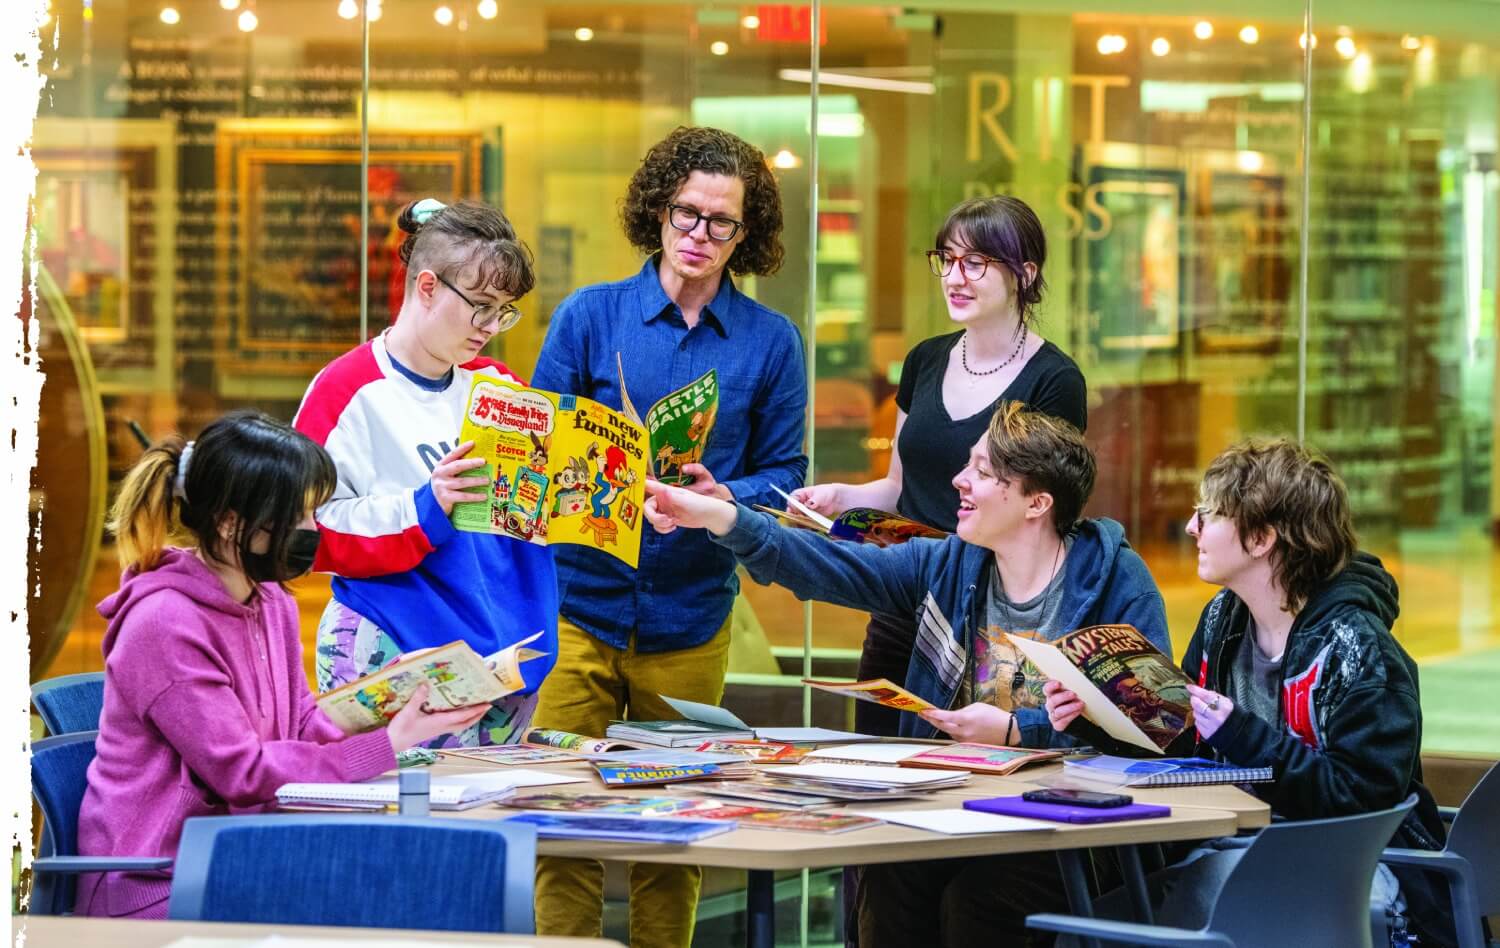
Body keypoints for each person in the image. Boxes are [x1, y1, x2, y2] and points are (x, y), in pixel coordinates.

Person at [644, 401, 1168, 948]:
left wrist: (1020, 733)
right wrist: (715, 516)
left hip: (1070, 830)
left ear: (1038, 502)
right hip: (962, 808)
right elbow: (826, 563)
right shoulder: (949, 564)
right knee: (890, 870)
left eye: (983, 472)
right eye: (969, 463)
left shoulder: (1115, 581)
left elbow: (1153, 727)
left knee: (979, 898)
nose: (959, 480)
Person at [528, 125, 808, 947]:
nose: (700, 235)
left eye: (722, 223)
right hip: (578, 603)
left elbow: (785, 473)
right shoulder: (590, 316)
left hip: (692, 612)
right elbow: (541, 447)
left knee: (674, 830)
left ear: (746, 233)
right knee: (561, 817)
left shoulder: (771, 342)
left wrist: (728, 494)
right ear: (658, 211)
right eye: (688, 214)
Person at [75, 411, 489, 919]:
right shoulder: (163, 624)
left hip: (239, 848)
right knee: (388, 898)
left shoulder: (270, 600)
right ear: (230, 522)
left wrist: (394, 692)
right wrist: (390, 744)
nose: (311, 530)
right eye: (297, 516)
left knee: (415, 882)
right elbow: (242, 772)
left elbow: (299, 725)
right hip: (158, 881)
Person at [1044, 438, 1452, 948]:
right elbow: (1184, 742)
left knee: (1109, 931)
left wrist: (1246, 737)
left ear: (1260, 538)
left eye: (1207, 515)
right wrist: (1091, 716)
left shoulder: (1359, 648)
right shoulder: (1223, 618)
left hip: (1358, 873)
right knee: (1087, 927)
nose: (1191, 527)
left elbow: (1363, 804)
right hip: (1238, 850)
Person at [792, 195, 1086, 739]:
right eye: (946, 260)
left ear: (1025, 272)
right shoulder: (926, 359)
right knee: (875, 762)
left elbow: (1043, 520)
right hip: (903, 600)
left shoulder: (1054, 381)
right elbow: (898, 487)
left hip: (984, 616)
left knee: (971, 771)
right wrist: (840, 496)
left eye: (975, 263)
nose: (955, 277)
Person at [294, 197, 557, 748]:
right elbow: (304, 530)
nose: (491, 326)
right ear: (429, 286)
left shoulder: (500, 388)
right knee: (387, 821)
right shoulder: (347, 390)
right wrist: (424, 506)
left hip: (502, 660)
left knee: (483, 823)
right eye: (481, 305)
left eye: (504, 311)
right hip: (395, 645)